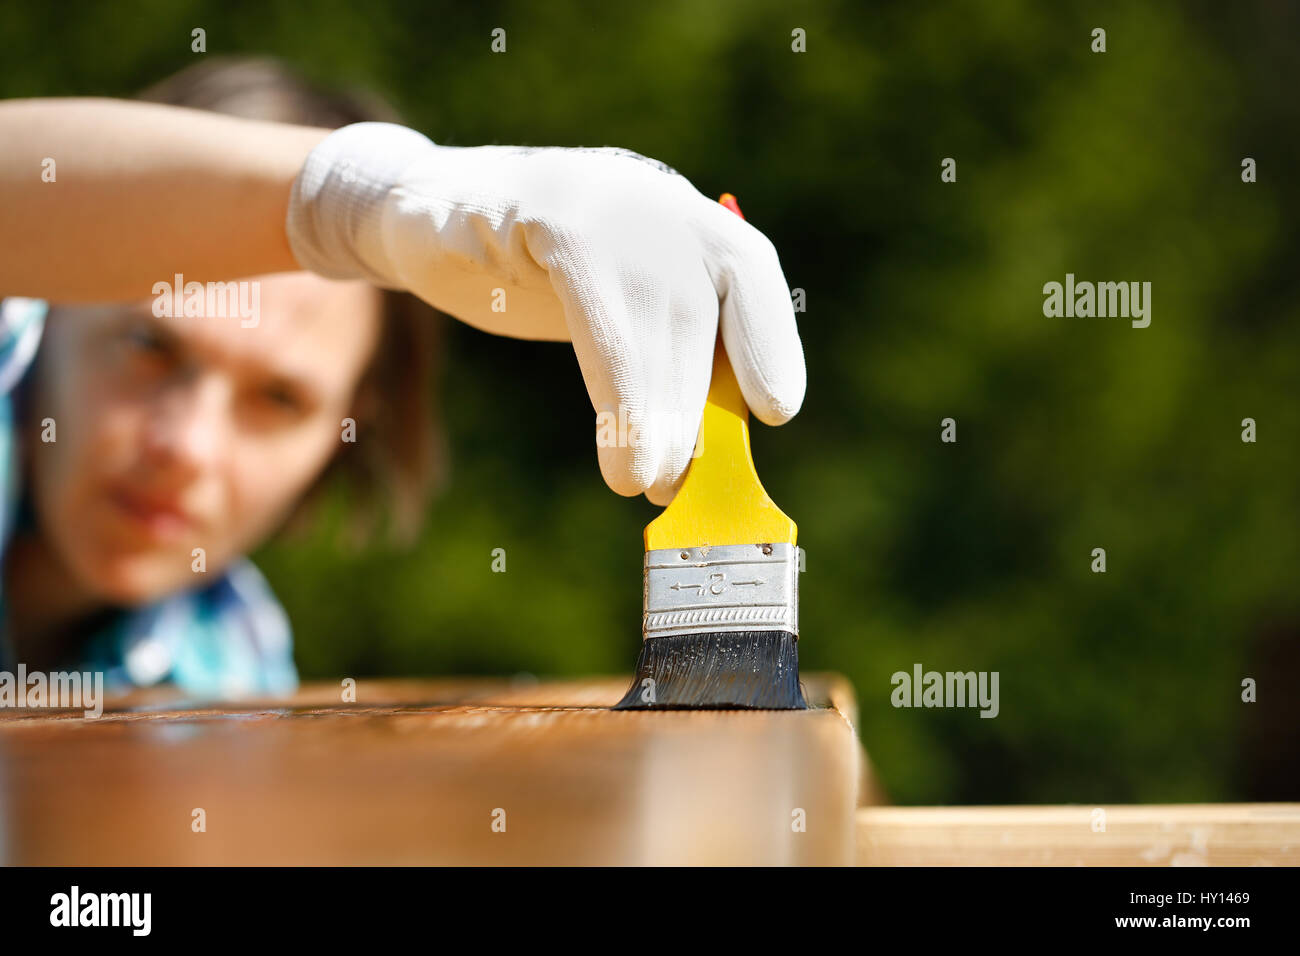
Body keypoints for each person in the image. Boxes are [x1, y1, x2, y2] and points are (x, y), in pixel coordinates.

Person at [0, 57, 806, 699]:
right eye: (150, 347)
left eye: (280, 398)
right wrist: (358, 204)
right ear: (50, 293)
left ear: (349, 429)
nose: (186, 446)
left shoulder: (234, 670)